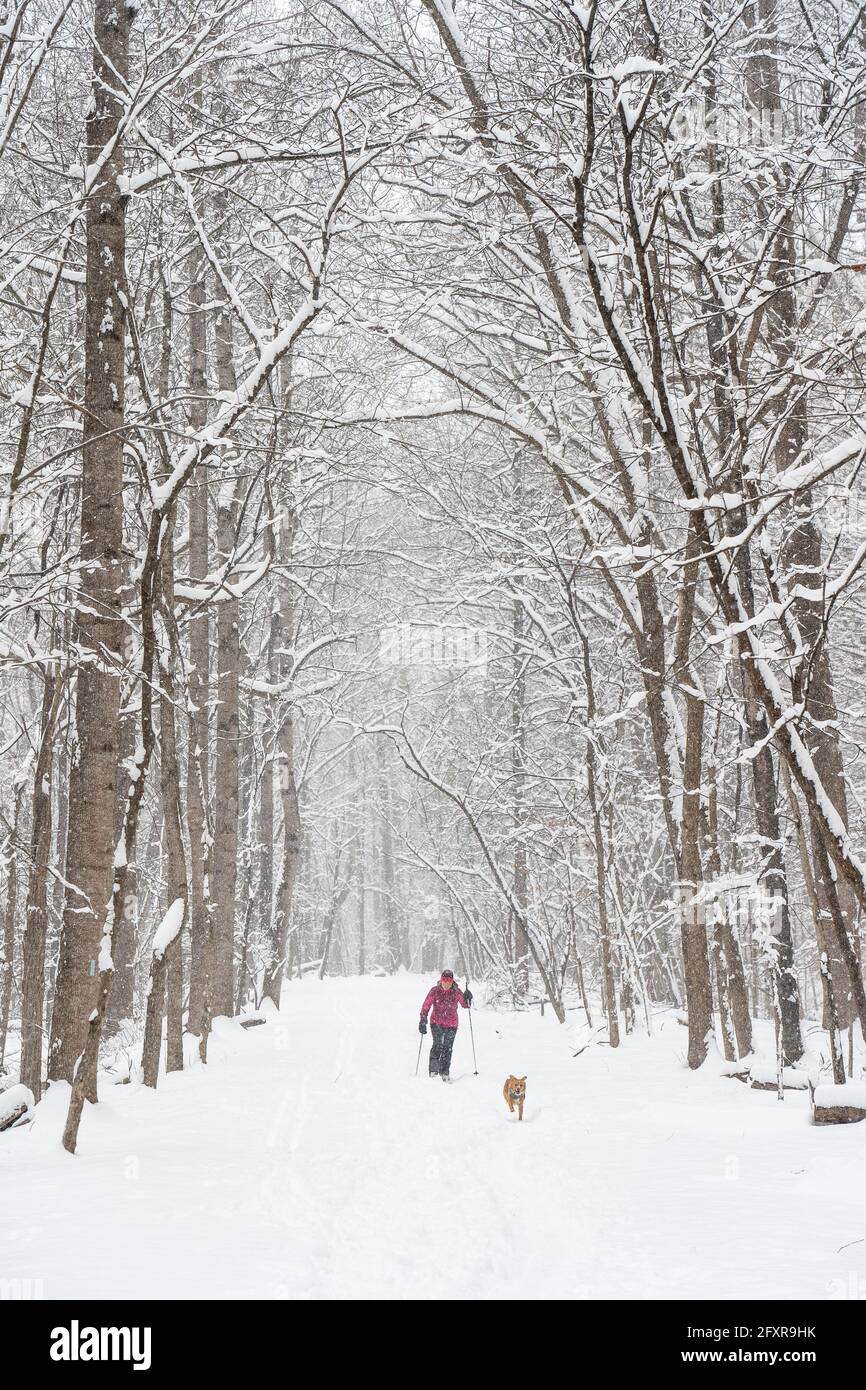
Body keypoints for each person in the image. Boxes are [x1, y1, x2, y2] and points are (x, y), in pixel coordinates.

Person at [418, 969, 473, 1081]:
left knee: (447, 1048)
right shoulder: (434, 991)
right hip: (436, 1022)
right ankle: (433, 1071)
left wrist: (468, 997)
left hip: (452, 1024)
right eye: (444, 980)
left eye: (449, 981)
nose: (446, 983)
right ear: (441, 980)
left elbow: (465, 1005)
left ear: (452, 981)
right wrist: (423, 1019)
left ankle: (444, 1072)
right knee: (437, 1045)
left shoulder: (456, 991)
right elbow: (426, 1006)